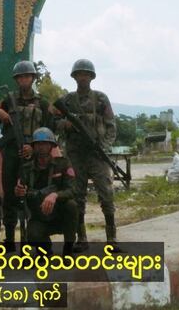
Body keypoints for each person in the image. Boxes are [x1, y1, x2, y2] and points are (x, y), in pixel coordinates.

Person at [53, 59, 117, 250]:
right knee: (78, 196)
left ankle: (112, 239)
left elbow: (111, 127)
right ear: (74, 77)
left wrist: (103, 147)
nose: (83, 77)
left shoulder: (100, 99)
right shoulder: (66, 101)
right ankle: (81, 238)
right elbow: (52, 121)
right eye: (79, 74)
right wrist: (66, 125)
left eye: (86, 74)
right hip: (75, 155)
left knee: (106, 194)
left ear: (91, 77)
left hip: (97, 154)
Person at [0, 60, 53, 251]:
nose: (24, 80)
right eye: (20, 77)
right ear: (16, 80)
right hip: (11, 153)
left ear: (32, 78)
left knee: (31, 194)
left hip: (34, 156)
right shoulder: (8, 100)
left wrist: (34, 149)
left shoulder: (42, 102)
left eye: (27, 76)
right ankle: (9, 239)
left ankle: (33, 237)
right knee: (10, 194)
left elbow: (50, 132)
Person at [14, 128, 78, 255]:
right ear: (34, 146)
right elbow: (20, 197)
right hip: (39, 216)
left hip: (60, 214)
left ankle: (68, 249)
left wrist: (55, 195)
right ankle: (46, 249)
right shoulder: (26, 169)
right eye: (38, 144)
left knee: (72, 206)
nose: (41, 147)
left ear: (51, 146)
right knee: (33, 236)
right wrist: (19, 192)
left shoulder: (63, 164)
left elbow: (72, 190)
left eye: (45, 144)